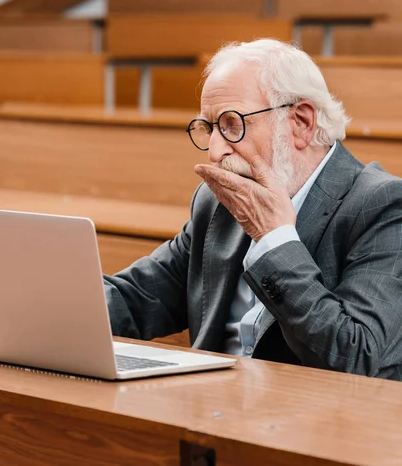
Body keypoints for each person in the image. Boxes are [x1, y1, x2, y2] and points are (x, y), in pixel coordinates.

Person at [104, 38, 402, 380]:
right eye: (209, 128)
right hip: (210, 407)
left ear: (301, 123)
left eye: (233, 124)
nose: (215, 152)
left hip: (312, 422)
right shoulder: (218, 203)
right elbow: (134, 298)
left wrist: (275, 240)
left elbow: (355, 357)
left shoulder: (384, 207)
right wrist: (43, 304)